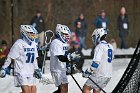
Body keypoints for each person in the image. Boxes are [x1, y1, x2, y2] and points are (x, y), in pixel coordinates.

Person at [0, 25, 42, 93]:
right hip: (21, 71)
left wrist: (36, 68)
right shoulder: (18, 43)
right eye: (31, 33)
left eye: (33, 33)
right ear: (24, 33)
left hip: (30, 71)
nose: (33, 35)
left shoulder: (34, 44)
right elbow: (10, 57)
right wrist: (4, 68)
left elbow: (34, 58)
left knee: (33, 91)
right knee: (27, 91)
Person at [50, 24, 81, 93]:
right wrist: (70, 57)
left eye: (67, 34)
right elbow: (61, 58)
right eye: (64, 34)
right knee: (63, 88)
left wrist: (68, 64)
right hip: (56, 69)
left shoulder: (64, 43)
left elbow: (65, 56)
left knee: (63, 89)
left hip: (61, 68)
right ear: (59, 33)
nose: (67, 36)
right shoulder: (56, 42)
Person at [82, 28, 114, 93]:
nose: (94, 38)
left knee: (85, 89)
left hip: (100, 75)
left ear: (98, 35)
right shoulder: (110, 46)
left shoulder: (99, 46)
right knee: (96, 90)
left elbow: (95, 63)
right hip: (108, 75)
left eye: (94, 36)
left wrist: (88, 72)